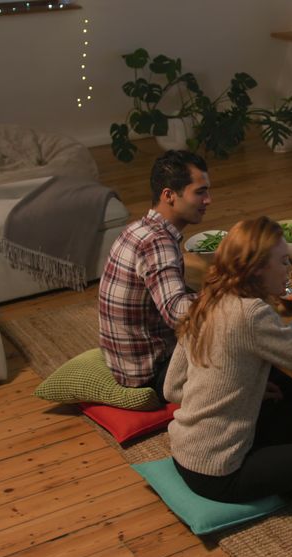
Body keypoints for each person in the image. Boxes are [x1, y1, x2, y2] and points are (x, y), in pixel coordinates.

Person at [165, 216, 292, 503]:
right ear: (257, 268)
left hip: (184, 452)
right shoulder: (251, 314)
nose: (289, 269)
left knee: (280, 397)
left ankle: (281, 464)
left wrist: (239, 393)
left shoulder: (206, 299)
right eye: (283, 261)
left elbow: (172, 388)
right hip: (219, 473)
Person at [98, 150, 211, 399]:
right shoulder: (157, 243)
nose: (208, 200)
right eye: (200, 192)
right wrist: (226, 292)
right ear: (169, 195)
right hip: (149, 373)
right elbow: (176, 313)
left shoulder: (137, 229)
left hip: (122, 362)